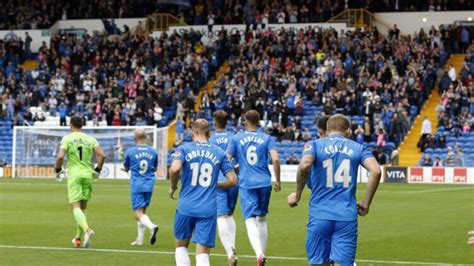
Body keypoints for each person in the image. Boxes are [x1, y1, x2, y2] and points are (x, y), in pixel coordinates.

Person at [287, 114, 382, 266]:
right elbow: (376, 171)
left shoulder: (315, 145)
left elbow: (305, 165)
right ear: (349, 131)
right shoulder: (358, 147)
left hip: (320, 215)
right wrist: (366, 203)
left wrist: (297, 195)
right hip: (346, 217)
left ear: (327, 129)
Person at [168, 119, 238, 266]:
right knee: (203, 253)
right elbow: (233, 180)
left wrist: (173, 186)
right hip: (207, 208)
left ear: (192, 133)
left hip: (185, 206)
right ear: (209, 133)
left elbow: (174, 169)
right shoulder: (219, 152)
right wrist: (216, 185)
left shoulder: (184, 149)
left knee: (181, 247)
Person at [227, 110, 281, 265]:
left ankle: (259, 254)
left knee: (250, 220)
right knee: (262, 219)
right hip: (264, 182)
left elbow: (227, 158)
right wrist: (278, 180)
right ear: (259, 122)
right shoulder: (267, 138)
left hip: (246, 183)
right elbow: (276, 159)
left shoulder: (236, 138)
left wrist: (230, 174)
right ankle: (261, 256)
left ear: (245, 121)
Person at [54, 116, 106, 248]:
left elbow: (60, 156)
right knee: (83, 208)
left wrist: (58, 169)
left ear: (71, 125)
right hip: (87, 175)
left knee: (75, 207)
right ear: (82, 126)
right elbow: (102, 155)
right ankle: (78, 237)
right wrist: (98, 169)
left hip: (74, 175)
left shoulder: (68, 138)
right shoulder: (90, 139)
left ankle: (87, 230)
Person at [208, 110, 238, 265]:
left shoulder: (210, 139)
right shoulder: (233, 137)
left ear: (214, 122)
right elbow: (238, 160)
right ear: (227, 122)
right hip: (233, 180)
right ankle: (232, 245)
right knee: (230, 216)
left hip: (219, 182)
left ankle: (229, 252)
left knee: (220, 217)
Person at [122, 128, 159, 246]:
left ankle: (152, 227)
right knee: (142, 212)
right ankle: (140, 239)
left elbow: (127, 167)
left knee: (137, 214)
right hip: (149, 184)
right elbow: (155, 168)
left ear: (135, 138)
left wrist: (126, 170)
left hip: (137, 184)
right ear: (146, 137)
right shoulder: (153, 152)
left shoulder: (130, 151)